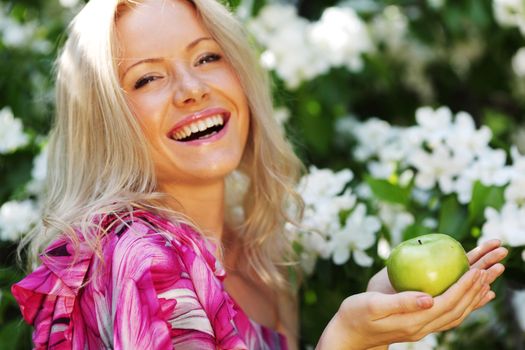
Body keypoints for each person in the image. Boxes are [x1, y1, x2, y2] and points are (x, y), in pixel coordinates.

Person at [12, 0, 507, 349]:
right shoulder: (143, 261)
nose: (191, 89)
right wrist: (345, 340)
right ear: (107, 121)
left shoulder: (253, 249)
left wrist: (374, 322)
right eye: (147, 78)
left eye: (207, 56)